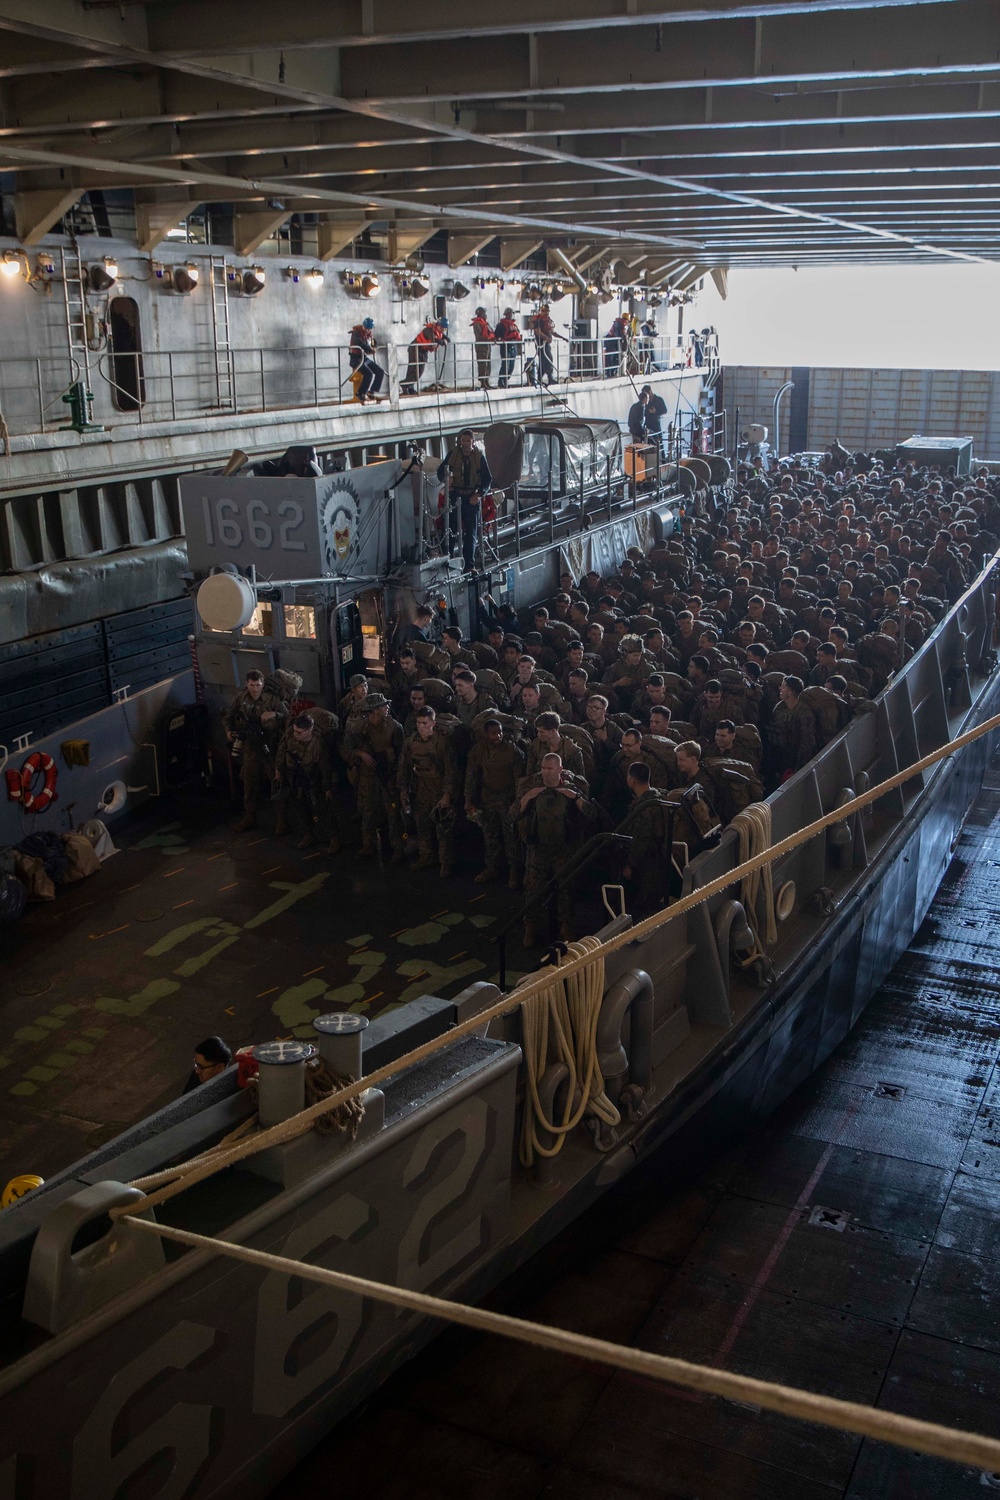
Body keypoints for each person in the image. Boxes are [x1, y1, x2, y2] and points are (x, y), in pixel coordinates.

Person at [511, 752, 599, 946]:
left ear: (559, 769)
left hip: (564, 850)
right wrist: (527, 797)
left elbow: (592, 815)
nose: (545, 772)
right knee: (533, 890)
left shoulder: (571, 789)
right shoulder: (533, 788)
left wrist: (575, 797)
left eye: (549, 768)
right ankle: (531, 927)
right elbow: (513, 815)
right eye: (543, 768)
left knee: (565, 890)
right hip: (538, 850)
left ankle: (566, 927)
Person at [397, 706, 458, 875]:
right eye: (418, 722)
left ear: (433, 723)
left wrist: (447, 794)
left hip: (438, 788)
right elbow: (404, 766)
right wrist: (403, 790)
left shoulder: (442, 742)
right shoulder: (410, 741)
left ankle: (445, 862)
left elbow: (451, 771)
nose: (421, 726)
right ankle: (426, 856)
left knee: (443, 828)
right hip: (419, 788)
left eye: (424, 723)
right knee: (422, 825)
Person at [343, 694, 405, 860]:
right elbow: (347, 746)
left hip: (387, 775)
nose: (386, 708)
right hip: (366, 775)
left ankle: (397, 847)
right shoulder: (359, 727)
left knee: (393, 812)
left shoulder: (393, 726)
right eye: (383, 706)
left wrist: (396, 777)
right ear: (374, 710)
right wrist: (361, 753)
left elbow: (402, 754)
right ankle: (368, 844)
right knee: (367, 810)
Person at [465, 718, 526, 887]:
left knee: (511, 836)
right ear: (486, 734)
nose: (498, 736)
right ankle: (491, 867)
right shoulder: (479, 750)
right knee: (489, 835)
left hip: (507, 799)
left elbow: (519, 779)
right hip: (488, 797)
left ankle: (514, 869)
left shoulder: (512, 750)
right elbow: (471, 776)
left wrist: (518, 801)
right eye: (493, 733)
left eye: (500, 732)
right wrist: (468, 799)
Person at [225, 669, 287, 831]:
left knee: (276, 781)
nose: (255, 689)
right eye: (252, 685)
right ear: (247, 684)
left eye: (258, 685)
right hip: (250, 748)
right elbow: (228, 717)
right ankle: (250, 816)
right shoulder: (240, 698)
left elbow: (287, 717)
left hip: (269, 746)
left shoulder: (272, 699)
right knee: (250, 781)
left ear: (263, 684)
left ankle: (281, 819)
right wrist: (228, 731)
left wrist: (274, 713)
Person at [274, 713, 335, 851]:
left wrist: (327, 788)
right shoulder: (290, 733)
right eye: (295, 730)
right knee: (300, 807)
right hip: (293, 776)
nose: (296, 734)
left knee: (322, 808)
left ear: (310, 730)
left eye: (300, 732)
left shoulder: (319, 742)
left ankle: (333, 837)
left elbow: (325, 766)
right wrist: (278, 770)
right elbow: (281, 750)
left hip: (312, 775)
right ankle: (308, 834)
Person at [620, 761, 672, 917]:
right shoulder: (656, 794)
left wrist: (630, 864)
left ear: (632, 780)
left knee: (645, 904)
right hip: (657, 857)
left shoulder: (645, 806)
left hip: (649, 862)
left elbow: (641, 839)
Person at [437, 428, 492, 571]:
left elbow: (487, 480)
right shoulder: (452, 455)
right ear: (459, 441)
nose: (466, 443)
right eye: (463, 440)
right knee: (450, 530)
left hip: (472, 498)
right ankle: (447, 562)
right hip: (455, 495)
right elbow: (440, 472)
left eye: (468, 440)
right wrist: (446, 479)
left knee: (471, 533)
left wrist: (479, 494)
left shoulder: (479, 457)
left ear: (473, 442)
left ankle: (469, 565)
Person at [401, 316, 448, 395]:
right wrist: (443, 342)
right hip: (415, 348)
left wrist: (445, 340)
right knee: (415, 370)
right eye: (444, 328)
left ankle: (409, 387)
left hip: (423, 350)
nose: (444, 330)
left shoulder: (438, 332)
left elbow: (446, 338)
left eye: (445, 328)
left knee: (417, 370)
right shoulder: (429, 330)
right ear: (439, 326)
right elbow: (435, 340)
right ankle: (405, 385)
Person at [348, 317, 385, 402]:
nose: (368, 330)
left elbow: (373, 342)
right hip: (355, 359)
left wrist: (374, 347)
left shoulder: (369, 334)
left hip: (364, 358)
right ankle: (360, 393)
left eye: (369, 329)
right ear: (363, 326)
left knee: (380, 372)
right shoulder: (355, 333)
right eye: (366, 328)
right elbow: (359, 343)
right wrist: (369, 349)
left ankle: (372, 392)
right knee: (369, 373)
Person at [528, 303, 565, 387]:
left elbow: (552, 332)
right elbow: (537, 332)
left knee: (543, 361)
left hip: (547, 344)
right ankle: (550, 378)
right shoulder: (539, 320)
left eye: (547, 311)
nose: (546, 313)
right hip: (541, 344)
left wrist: (562, 338)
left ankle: (539, 379)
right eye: (545, 311)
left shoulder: (547, 320)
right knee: (548, 360)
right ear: (541, 311)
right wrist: (546, 338)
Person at [494, 307, 522, 387]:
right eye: (509, 313)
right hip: (505, 347)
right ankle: (501, 382)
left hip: (513, 347)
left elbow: (517, 334)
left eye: (511, 313)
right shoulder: (501, 325)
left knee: (511, 366)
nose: (511, 315)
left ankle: (506, 381)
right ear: (506, 314)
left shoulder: (514, 325)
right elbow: (497, 335)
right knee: (505, 365)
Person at [471, 305, 495, 389]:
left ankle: (487, 381)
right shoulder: (477, 324)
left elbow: (491, 332)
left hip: (487, 347)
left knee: (488, 364)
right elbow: (479, 336)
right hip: (481, 347)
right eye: (484, 313)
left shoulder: (486, 324)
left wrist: (493, 338)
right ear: (481, 314)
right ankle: (483, 382)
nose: (486, 315)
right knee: (482, 364)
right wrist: (488, 339)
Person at [604, 311, 631, 377]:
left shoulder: (621, 324)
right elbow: (618, 334)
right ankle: (609, 372)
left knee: (615, 357)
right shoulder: (618, 324)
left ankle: (613, 372)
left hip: (614, 342)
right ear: (626, 320)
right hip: (610, 342)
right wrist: (624, 336)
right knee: (610, 357)